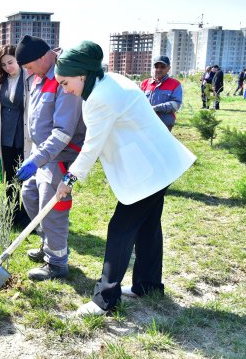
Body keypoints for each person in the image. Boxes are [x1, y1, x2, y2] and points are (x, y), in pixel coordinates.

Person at [54, 41, 196, 316]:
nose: (65, 89)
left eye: (65, 82)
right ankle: (148, 284)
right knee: (148, 227)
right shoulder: (110, 81)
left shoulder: (100, 98)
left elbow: (92, 145)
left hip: (149, 169)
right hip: (158, 163)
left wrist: (69, 179)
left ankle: (105, 299)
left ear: (82, 75)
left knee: (120, 228)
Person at [13, 35, 86, 281]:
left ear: (44, 56)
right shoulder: (38, 78)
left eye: (30, 66)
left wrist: (39, 158)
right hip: (41, 153)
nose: (28, 72)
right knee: (29, 195)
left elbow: (63, 131)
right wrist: (32, 155)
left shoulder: (63, 79)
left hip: (59, 155)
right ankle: (47, 245)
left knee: (51, 205)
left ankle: (57, 263)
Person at [0, 45, 32, 227]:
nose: (7, 67)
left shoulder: (31, 79)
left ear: (18, 60)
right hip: (5, 136)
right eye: (3, 64)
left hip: (25, 135)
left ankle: (28, 216)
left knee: (27, 178)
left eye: (10, 62)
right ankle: (12, 214)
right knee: (10, 177)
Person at [140, 55, 183, 131]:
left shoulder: (175, 84)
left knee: (162, 143)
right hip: (145, 123)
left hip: (164, 125)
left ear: (168, 68)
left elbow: (176, 104)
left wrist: (156, 108)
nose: (159, 69)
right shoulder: (144, 83)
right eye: (156, 67)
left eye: (162, 67)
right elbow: (138, 101)